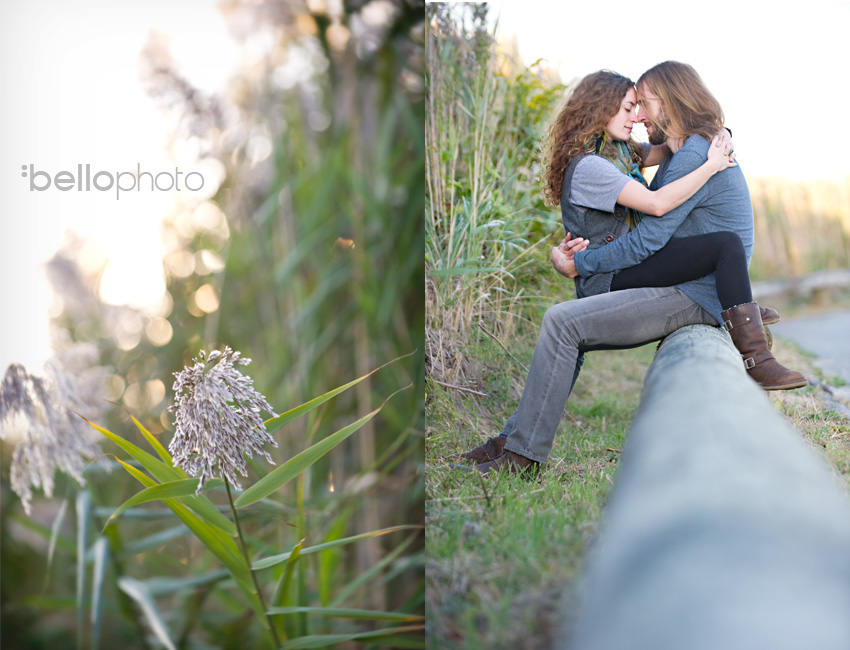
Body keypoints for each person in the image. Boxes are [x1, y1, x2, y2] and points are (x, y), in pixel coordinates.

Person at [464, 62, 805, 475]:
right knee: (567, 329)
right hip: (687, 281)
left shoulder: (678, 154)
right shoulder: (651, 157)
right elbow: (653, 215)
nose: (639, 116)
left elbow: (651, 231)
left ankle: (519, 455)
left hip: (691, 290)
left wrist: (580, 263)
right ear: (599, 111)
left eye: (642, 104)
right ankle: (513, 443)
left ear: (670, 101)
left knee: (562, 323)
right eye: (630, 107)